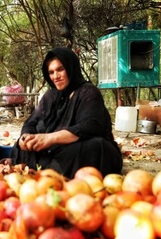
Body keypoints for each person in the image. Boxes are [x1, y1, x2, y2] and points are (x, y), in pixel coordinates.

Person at [10, 47, 122, 178]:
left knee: (95, 147)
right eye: (51, 72)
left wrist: (50, 138)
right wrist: (26, 137)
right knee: (19, 145)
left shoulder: (89, 92)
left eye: (60, 69)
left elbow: (89, 127)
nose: (55, 76)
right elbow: (31, 122)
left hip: (79, 146)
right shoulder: (50, 95)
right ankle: (48, 168)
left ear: (71, 68)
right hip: (55, 147)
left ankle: (51, 169)